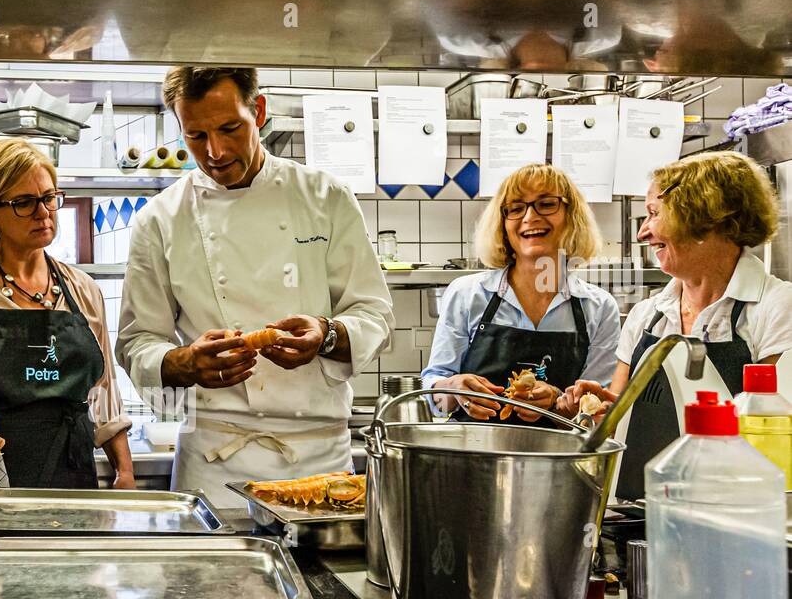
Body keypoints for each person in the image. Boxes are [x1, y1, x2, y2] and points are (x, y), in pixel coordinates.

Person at [115, 66, 393, 508]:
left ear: (258, 111)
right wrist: (184, 361)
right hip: (213, 461)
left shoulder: (326, 197)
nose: (216, 151)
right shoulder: (160, 218)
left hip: (318, 458)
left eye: (230, 128)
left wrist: (327, 335)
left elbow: (374, 316)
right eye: (196, 136)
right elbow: (135, 343)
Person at [559, 151, 792, 499]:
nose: (643, 232)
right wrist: (600, 412)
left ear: (705, 216)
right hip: (635, 512)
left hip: (737, 514)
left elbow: (775, 431)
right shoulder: (647, 315)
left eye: (654, 213)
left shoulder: (777, 307)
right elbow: (618, 425)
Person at [0, 138, 134, 489]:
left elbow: (104, 391)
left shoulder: (82, 290)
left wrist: (124, 471)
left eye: (49, 197)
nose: (43, 212)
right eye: (23, 202)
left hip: (72, 471)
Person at [422, 163, 620, 423]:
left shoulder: (599, 308)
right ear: (503, 225)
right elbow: (435, 385)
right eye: (515, 208)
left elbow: (593, 409)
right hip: (470, 455)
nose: (529, 217)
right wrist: (453, 388)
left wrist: (558, 400)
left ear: (572, 216)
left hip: (557, 459)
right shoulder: (468, 294)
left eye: (546, 204)